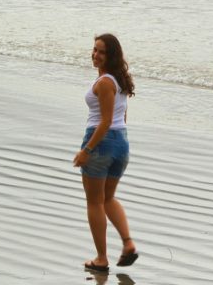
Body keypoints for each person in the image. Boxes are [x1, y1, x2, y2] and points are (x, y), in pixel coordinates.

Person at [73, 33, 138, 273]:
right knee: (108, 198)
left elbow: (106, 121)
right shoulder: (120, 81)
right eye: (94, 49)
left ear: (111, 56)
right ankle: (128, 243)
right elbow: (121, 117)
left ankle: (101, 258)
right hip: (121, 144)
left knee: (94, 202)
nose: (95, 55)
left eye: (101, 51)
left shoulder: (104, 83)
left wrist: (86, 150)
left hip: (101, 142)